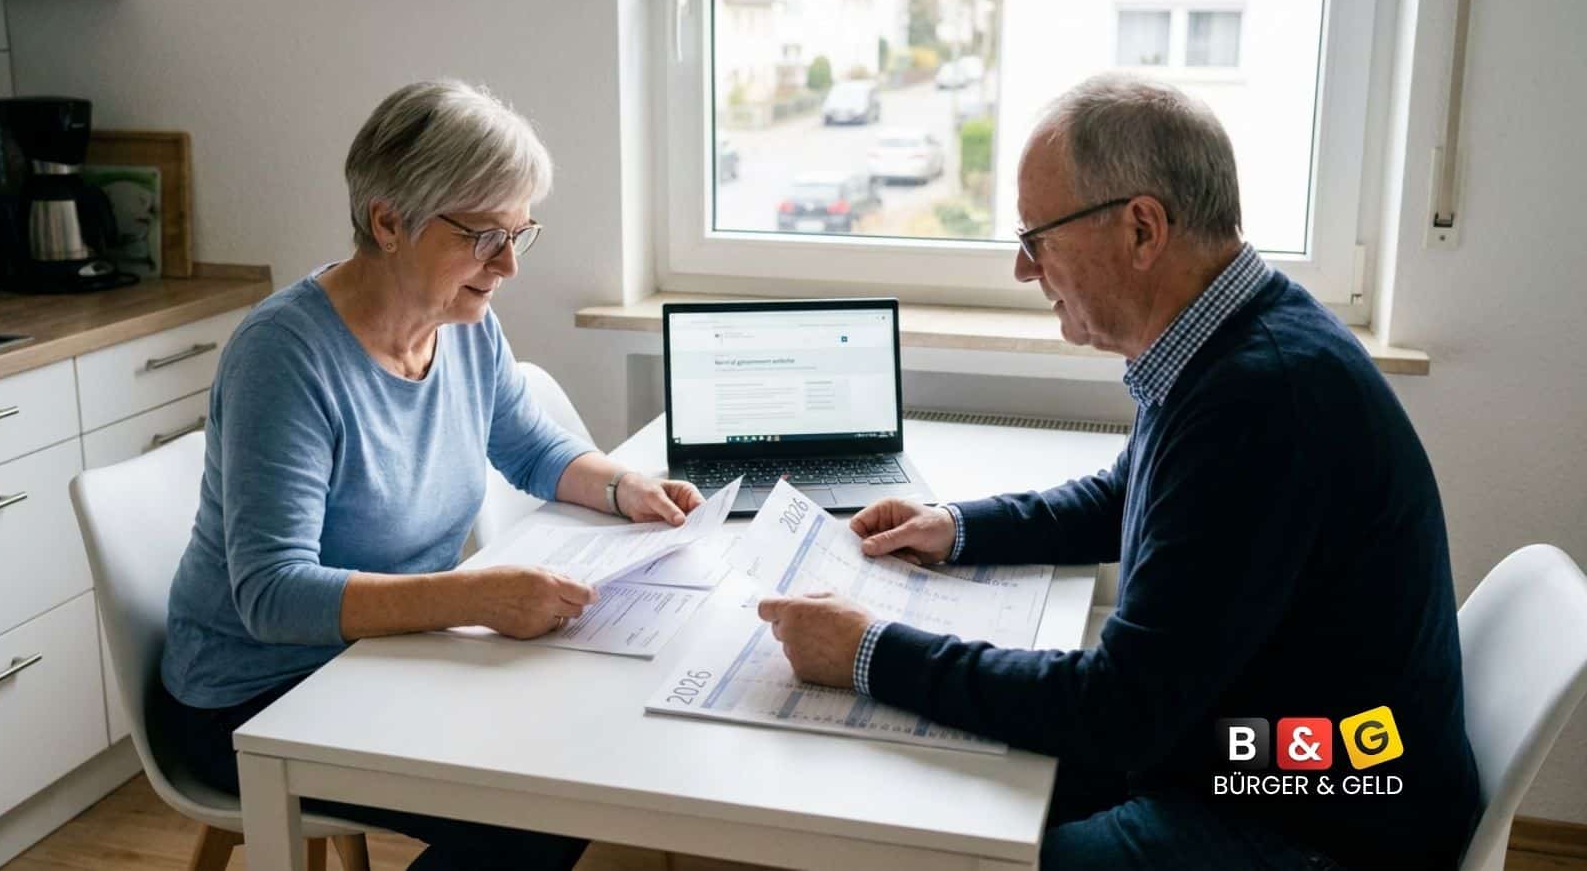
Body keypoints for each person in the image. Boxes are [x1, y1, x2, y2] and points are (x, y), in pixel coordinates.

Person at [758, 74, 1480, 871]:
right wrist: (957, 527)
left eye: (1037, 237)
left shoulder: (1261, 395)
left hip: (1322, 819)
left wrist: (868, 652)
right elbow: (1127, 494)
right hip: (1271, 755)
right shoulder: (1230, 334)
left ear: (1143, 230)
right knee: (956, 787)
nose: (1024, 272)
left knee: (957, 840)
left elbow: (1120, 711)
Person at [156, 79, 701, 870]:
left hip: (391, 653)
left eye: (521, 233)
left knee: (586, 761)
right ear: (387, 221)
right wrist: (474, 597)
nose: (508, 264)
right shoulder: (285, 357)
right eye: (485, 236)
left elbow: (531, 448)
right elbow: (271, 594)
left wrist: (623, 488)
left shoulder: (462, 319)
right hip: (259, 692)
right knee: (535, 815)